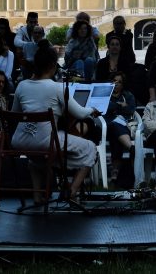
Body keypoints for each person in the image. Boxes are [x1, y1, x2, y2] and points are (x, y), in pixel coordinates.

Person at [11, 45, 101, 202]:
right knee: (91, 148)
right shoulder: (56, 87)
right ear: (53, 66)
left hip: (20, 140)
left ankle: (37, 196)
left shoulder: (21, 85)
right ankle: (71, 191)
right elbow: (79, 113)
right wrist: (92, 109)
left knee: (36, 159)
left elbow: (14, 114)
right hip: (46, 141)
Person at [105, 72, 136, 181]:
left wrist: (119, 107)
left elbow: (131, 110)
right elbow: (104, 110)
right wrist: (120, 105)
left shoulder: (128, 95)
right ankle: (131, 148)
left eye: (120, 82)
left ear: (123, 85)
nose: (117, 84)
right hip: (107, 127)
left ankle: (115, 171)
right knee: (114, 125)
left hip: (125, 126)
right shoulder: (104, 94)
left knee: (116, 135)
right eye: (114, 81)